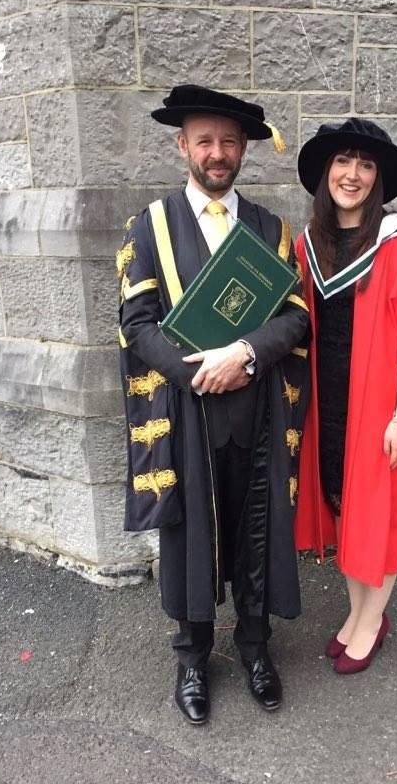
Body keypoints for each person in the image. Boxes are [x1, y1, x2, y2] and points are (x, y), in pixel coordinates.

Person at [117, 85, 309, 723]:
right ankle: (192, 656)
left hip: (257, 413)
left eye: (229, 141)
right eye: (205, 140)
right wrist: (197, 372)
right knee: (191, 536)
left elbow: (297, 318)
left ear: (244, 149)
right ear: (183, 145)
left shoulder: (270, 230)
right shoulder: (149, 227)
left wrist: (245, 355)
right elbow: (137, 323)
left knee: (256, 531)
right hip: (187, 415)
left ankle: (255, 648)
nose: (218, 152)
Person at [294, 118, 397, 674]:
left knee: (378, 515)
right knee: (345, 509)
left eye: (365, 164)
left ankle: (372, 619)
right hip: (329, 406)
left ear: (378, 178)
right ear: (326, 172)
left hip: (379, 407)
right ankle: (360, 614)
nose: (352, 174)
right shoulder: (309, 244)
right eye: (342, 161)